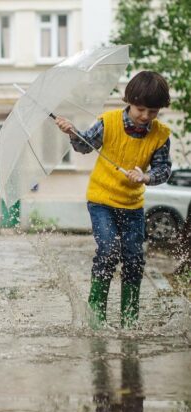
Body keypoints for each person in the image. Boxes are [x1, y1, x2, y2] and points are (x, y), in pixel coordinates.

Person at [56, 71, 171, 328]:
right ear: (128, 101)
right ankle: (97, 319)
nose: (145, 116)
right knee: (108, 251)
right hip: (102, 201)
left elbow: (164, 170)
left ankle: (129, 321)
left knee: (133, 258)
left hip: (133, 205)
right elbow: (84, 146)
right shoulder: (108, 122)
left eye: (153, 111)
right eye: (141, 109)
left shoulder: (160, 135)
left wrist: (147, 177)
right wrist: (72, 132)